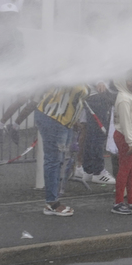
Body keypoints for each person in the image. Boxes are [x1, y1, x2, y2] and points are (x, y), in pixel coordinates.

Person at [33, 85, 89, 216]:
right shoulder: (70, 69)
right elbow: (78, 89)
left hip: (63, 121)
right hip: (54, 118)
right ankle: (51, 203)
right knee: (54, 159)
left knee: (60, 159)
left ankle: (53, 199)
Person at [111, 73, 132, 215]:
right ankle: (118, 202)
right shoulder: (124, 98)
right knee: (125, 170)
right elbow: (125, 123)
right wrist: (130, 141)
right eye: (130, 80)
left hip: (131, 138)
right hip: (126, 138)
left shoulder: (128, 96)